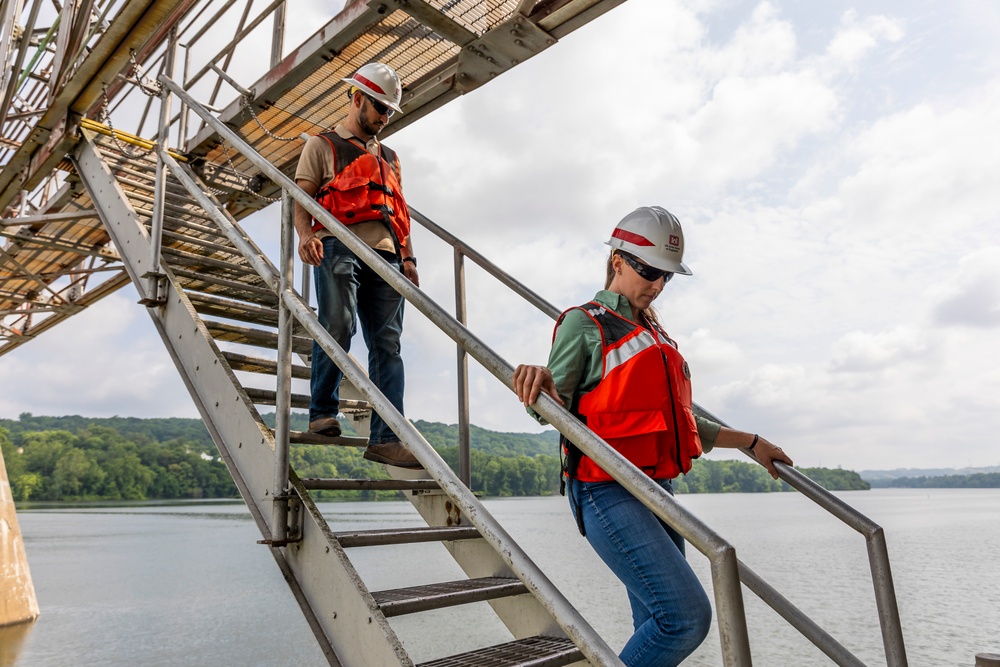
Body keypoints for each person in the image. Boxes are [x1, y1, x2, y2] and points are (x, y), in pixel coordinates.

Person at [513, 206, 794, 667]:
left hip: (658, 492)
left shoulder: (653, 333)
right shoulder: (585, 323)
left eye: (667, 276)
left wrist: (751, 442)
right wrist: (536, 378)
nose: (657, 285)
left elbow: (683, 424)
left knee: (654, 625)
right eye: (649, 271)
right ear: (618, 260)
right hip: (607, 492)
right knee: (684, 618)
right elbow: (550, 405)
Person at [293, 62, 420, 468]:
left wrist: (409, 257)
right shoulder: (322, 145)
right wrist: (305, 235)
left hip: (388, 258)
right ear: (357, 98)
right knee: (338, 324)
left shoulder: (392, 158)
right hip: (338, 245)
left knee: (388, 346)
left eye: (389, 112)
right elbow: (303, 197)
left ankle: (386, 438)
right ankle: (322, 414)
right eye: (379, 108)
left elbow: (399, 212)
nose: (384, 117)